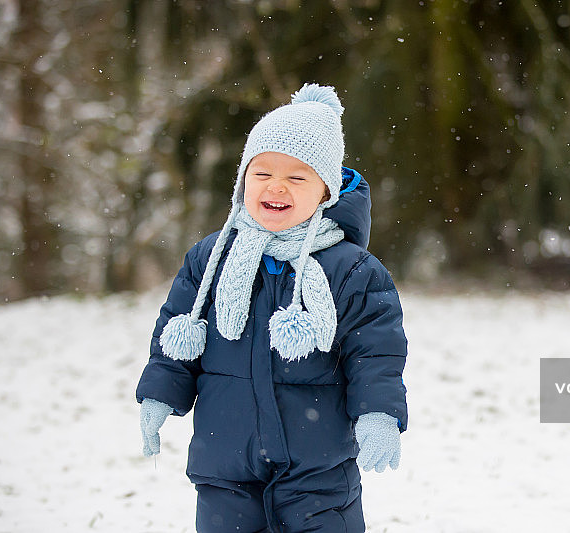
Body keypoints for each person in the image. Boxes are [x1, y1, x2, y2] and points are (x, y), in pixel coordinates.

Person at [135, 83, 408, 533]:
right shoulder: (211, 258)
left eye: (297, 178)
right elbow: (176, 335)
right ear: (243, 180)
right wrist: (160, 393)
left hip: (317, 466)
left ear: (325, 192)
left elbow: (376, 353)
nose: (276, 186)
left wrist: (379, 414)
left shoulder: (352, 269)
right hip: (226, 459)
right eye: (262, 174)